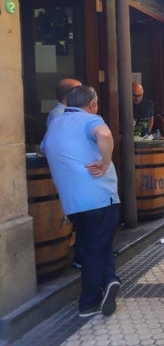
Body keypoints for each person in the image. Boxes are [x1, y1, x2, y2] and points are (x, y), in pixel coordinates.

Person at [40, 85, 121, 318]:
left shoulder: (55, 124)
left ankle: (109, 280)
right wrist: (105, 162)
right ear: (92, 104)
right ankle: (89, 302)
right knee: (98, 247)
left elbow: (45, 150)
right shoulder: (90, 120)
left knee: (92, 244)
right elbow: (104, 134)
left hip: (73, 202)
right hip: (98, 196)